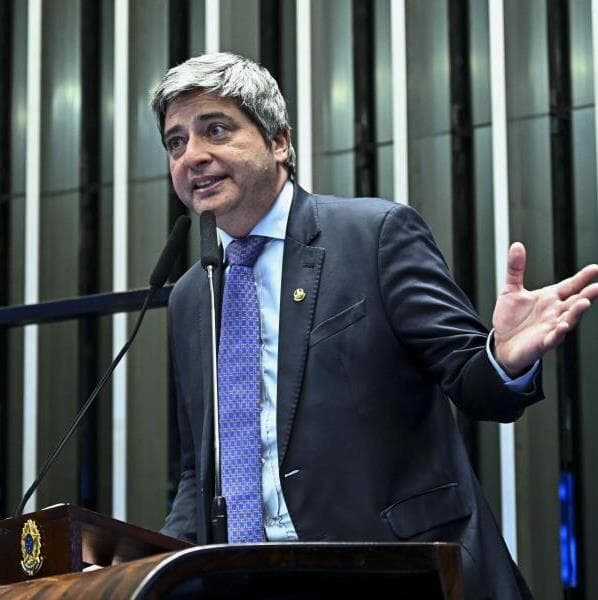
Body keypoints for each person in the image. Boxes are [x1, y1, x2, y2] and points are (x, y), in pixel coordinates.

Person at [150, 53, 598, 599]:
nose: (193, 156)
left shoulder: (375, 234)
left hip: (399, 572)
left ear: (279, 142)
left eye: (216, 130)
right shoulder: (191, 295)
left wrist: (502, 359)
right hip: (252, 583)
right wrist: (149, 566)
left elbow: (476, 385)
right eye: (176, 142)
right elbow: (200, 471)